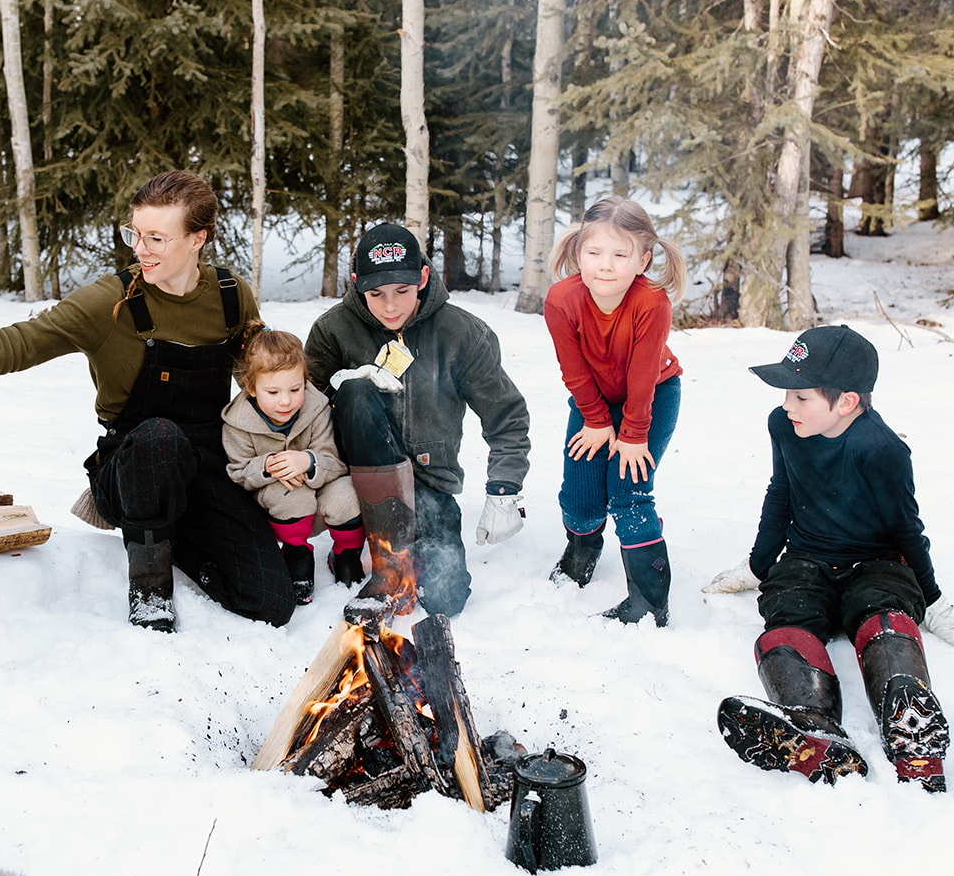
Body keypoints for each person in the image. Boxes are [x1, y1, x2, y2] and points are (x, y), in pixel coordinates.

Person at [0, 170, 292, 632]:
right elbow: (18, 343)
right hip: (133, 464)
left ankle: (173, 536)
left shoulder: (231, 296)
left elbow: (267, 377)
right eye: (134, 233)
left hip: (207, 464)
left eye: (156, 237)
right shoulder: (112, 300)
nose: (140, 248)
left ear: (198, 239)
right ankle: (150, 586)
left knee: (269, 604)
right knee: (160, 438)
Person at [709, 325, 954, 792]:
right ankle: (813, 729)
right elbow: (781, 492)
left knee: (882, 611)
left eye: (801, 395)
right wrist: (758, 564)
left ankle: (911, 727)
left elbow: (907, 527)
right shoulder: (784, 425)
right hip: (806, 556)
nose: (787, 404)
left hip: (877, 561)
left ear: (846, 402)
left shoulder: (882, 449)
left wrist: (934, 600)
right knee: (788, 614)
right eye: (786, 392)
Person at [305, 222, 530, 622]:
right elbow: (302, 411)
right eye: (376, 294)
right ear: (356, 283)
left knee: (446, 599)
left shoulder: (461, 332)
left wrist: (504, 487)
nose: (391, 306)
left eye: (403, 292)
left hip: (429, 482)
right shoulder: (332, 330)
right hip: (356, 477)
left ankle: (408, 546)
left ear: (423, 277)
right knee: (355, 392)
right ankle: (387, 567)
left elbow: (506, 415)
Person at [542, 197, 685, 627]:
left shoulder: (651, 302)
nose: (605, 265)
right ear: (577, 253)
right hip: (593, 400)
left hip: (653, 397)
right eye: (594, 252)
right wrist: (598, 420)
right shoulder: (561, 301)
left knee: (628, 487)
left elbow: (642, 376)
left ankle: (649, 600)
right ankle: (583, 547)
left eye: (620, 255)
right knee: (582, 485)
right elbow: (574, 369)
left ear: (642, 260)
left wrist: (634, 433)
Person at [221, 328, 362, 605]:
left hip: (321, 488)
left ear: (305, 382)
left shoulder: (318, 409)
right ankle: (297, 554)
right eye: (273, 391)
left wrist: (308, 460)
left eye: (295, 389)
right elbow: (237, 472)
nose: (285, 401)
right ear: (251, 387)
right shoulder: (237, 422)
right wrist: (266, 466)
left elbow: (335, 460)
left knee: (347, 493)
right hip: (278, 507)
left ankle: (347, 553)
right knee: (290, 496)